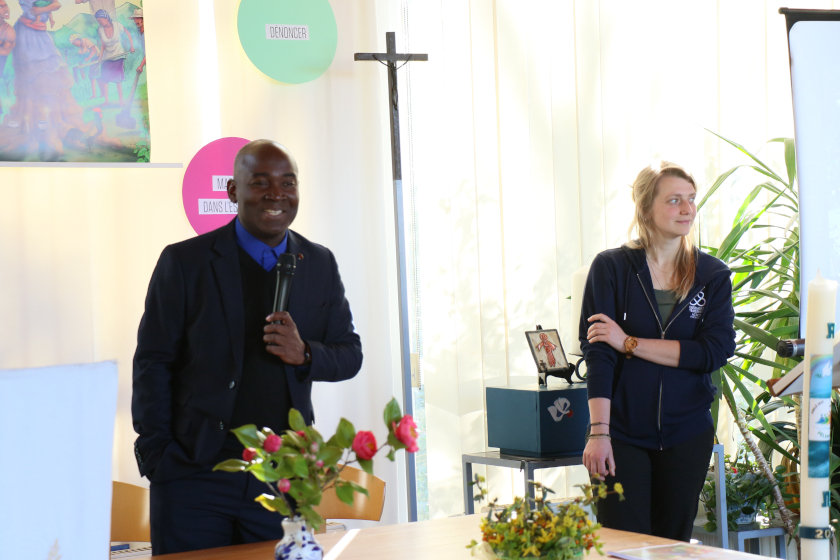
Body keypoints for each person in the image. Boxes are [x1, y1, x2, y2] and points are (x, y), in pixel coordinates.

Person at [132, 140, 363, 555]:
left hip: (283, 474)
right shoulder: (186, 262)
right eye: (260, 182)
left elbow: (349, 354)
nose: (277, 194)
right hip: (194, 473)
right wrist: (159, 456)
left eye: (288, 183)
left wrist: (305, 353)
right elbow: (153, 362)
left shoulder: (319, 262)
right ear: (232, 191)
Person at [579, 161, 735, 541]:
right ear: (647, 209)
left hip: (687, 434)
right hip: (622, 435)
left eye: (691, 200)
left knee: (672, 546)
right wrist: (599, 433)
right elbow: (599, 354)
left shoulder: (711, 275)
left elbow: (712, 352)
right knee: (621, 544)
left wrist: (629, 342)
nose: (687, 209)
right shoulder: (611, 268)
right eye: (674, 200)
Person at [94, 8, 133, 105]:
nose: (99, 22)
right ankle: (106, 101)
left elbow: (128, 33)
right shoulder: (100, 29)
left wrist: (131, 46)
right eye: (98, 21)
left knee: (118, 79)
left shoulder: (117, 25)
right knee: (105, 78)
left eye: (100, 20)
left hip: (118, 54)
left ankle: (121, 101)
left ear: (106, 18)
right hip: (107, 57)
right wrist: (100, 57)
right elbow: (103, 45)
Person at [68, 34, 101, 98]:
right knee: (93, 76)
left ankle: (95, 95)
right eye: (74, 44)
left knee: (94, 76)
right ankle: (95, 94)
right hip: (93, 60)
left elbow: (94, 50)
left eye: (75, 43)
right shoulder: (81, 50)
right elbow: (81, 61)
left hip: (98, 58)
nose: (75, 45)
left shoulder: (86, 41)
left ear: (77, 39)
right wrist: (82, 73)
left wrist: (88, 58)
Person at [0, 0, 15, 116]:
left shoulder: (8, 31)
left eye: (6, 6)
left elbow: (5, 52)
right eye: (1, 6)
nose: (6, 9)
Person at [131, 7, 145, 75]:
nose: (136, 21)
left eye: (138, 18)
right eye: (135, 19)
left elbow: (148, 53)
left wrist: (141, 66)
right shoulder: (138, 30)